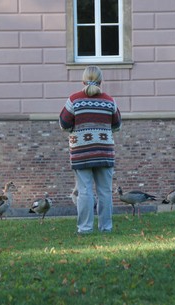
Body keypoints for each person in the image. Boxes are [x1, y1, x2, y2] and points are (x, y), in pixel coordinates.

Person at [59, 66, 121, 234]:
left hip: (81, 152)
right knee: (105, 192)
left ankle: (85, 228)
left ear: (83, 81)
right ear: (101, 81)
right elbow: (117, 126)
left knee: (84, 191)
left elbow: (63, 124)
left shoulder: (74, 100)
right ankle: (106, 228)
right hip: (104, 152)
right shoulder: (110, 101)